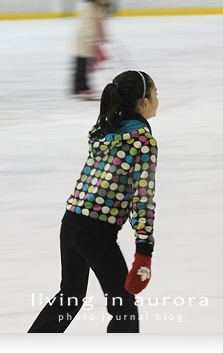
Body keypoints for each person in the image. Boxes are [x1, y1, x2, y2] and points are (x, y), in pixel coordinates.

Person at [28, 70, 159, 333]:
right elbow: (142, 198)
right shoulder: (143, 141)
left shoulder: (105, 131)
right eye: (157, 94)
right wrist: (144, 250)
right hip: (96, 232)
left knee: (70, 297)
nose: (158, 100)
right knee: (123, 308)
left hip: (71, 222)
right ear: (144, 102)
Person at [72, 0, 109, 97]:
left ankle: (84, 86)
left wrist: (101, 37)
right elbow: (93, 24)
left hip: (88, 39)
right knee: (82, 63)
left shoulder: (95, 7)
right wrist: (95, 37)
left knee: (86, 63)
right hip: (85, 39)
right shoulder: (91, 8)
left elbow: (99, 23)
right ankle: (79, 88)